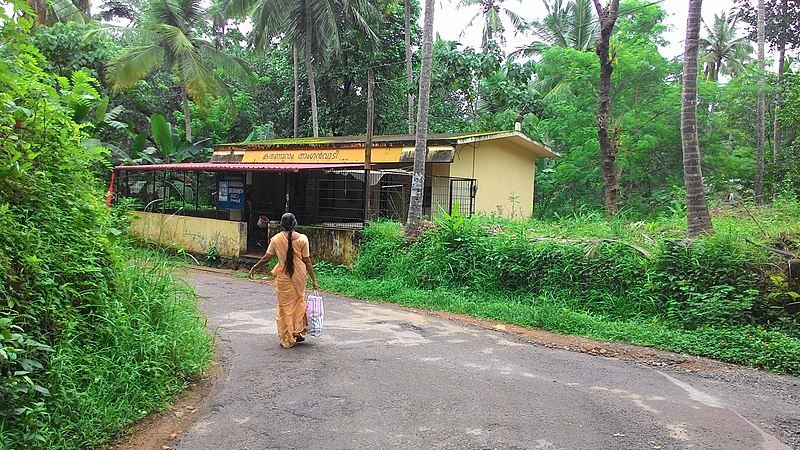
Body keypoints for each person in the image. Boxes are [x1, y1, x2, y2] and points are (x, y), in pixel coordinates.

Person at [248, 213, 319, 348]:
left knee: (285, 307)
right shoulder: (303, 239)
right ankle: (297, 332)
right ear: (295, 223)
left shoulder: (276, 239)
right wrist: (314, 279)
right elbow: (307, 261)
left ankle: (287, 337)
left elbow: (266, 258)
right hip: (300, 276)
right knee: (299, 302)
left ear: (281, 224)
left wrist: (254, 268)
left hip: (284, 278)